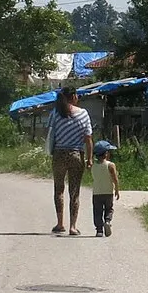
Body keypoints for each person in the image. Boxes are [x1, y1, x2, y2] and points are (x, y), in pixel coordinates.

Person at [45, 86, 93, 235]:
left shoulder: (55, 113)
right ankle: (73, 226)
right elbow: (88, 139)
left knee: (58, 189)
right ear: (73, 96)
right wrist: (90, 158)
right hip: (76, 155)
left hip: (59, 154)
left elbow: (50, 133)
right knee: (74, 191)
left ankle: (60, 223)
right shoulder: (83, 114)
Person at [89, 140, 119, 237]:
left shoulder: (92, 165)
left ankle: (99, 230)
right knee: (109, 209)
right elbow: (115, 179)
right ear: (106, 154)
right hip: (108, 192)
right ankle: (107, 221)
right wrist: (117, 190)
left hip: (96, 193)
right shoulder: (110, 165)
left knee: (97, 211)